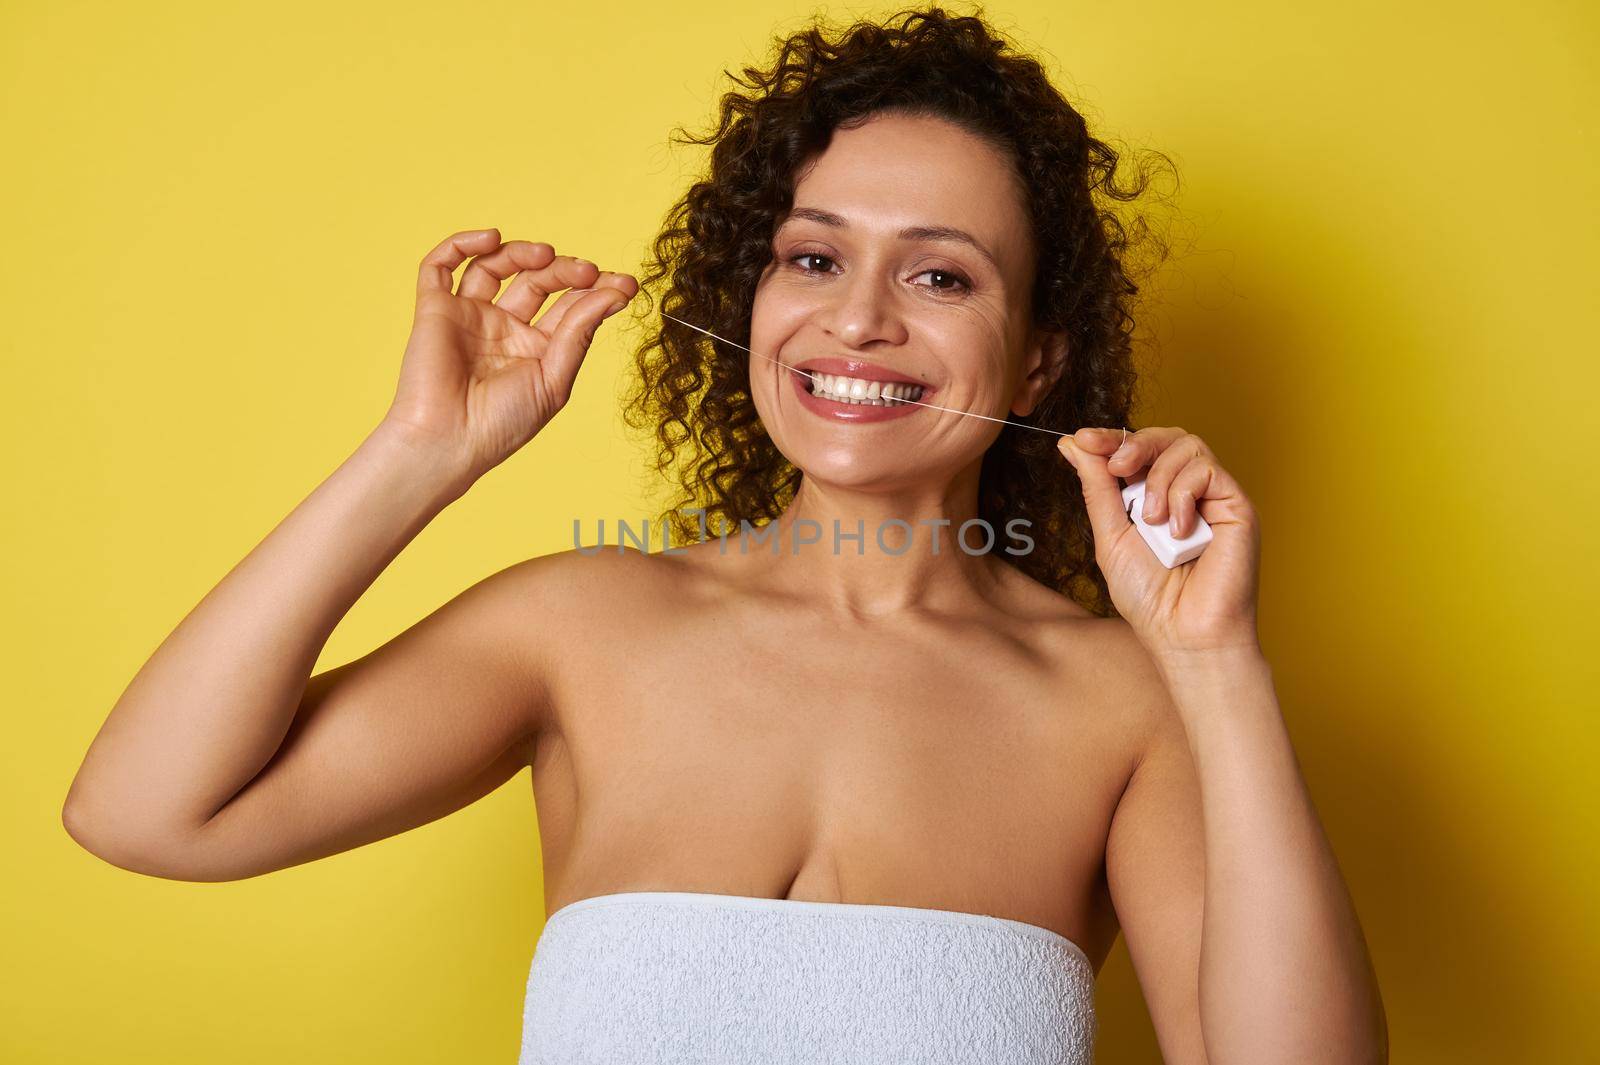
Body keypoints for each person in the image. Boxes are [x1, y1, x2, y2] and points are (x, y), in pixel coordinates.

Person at [62, 7, 1387, 1063]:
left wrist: (1217, 666)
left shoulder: (1124, 702)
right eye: (812, 259)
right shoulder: (579, 626)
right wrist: (422, 453)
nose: (857, 320)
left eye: (939, 274)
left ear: (1039, 362)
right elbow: (145, 811)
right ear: (745, 301)